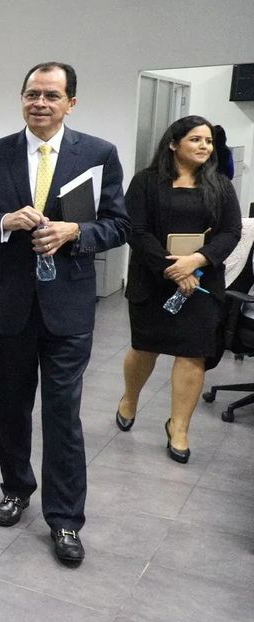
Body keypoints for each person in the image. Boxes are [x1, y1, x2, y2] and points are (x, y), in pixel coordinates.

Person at [0, 62, 130, 564]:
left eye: (52, 95)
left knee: (62, 415)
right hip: (8, 303)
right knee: (10, 408)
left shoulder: (97, 154)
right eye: (32, 94)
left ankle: (66, 519)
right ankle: (15, 488)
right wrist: (4, 222)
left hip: (68, 307)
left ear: (71, 102)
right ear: (22, 98)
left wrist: (76, 233)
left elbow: (119, 225)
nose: (40, 103)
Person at [117, 115, 240, 463]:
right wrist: (174, 268)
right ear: (173, 143)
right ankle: (129, 398)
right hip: (153, 280)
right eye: (196, 140)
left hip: (201, 284)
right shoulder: (145, 182)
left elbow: (231, 232)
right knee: (145, 349)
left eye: (208, 142)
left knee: (192, 355)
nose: (204, 146)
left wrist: (197, 261)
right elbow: (135, 231)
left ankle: (180, 427)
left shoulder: (221, 185)